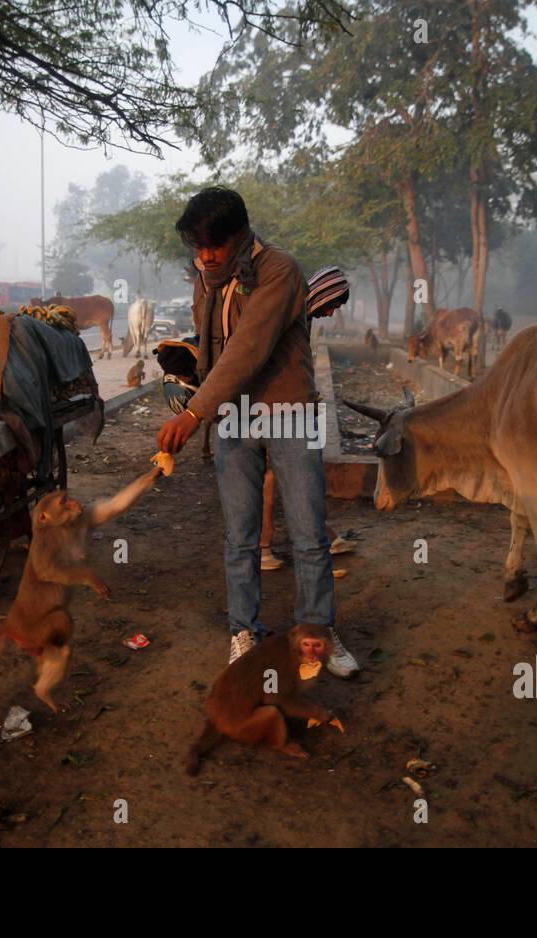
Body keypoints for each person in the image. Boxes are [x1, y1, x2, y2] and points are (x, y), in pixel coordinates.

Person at [156, 188, 358, 677]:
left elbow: (248, 349)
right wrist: (188, 383)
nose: (205, 257)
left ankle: (317, 632)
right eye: (198, 247)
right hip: (233, 418)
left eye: (214, 246)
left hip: (287, 412)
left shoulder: (279, 270)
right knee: (240, 537)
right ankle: (244, 631)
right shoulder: (207, 278)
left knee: (309, 535)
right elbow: (212, 349)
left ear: (241, 237)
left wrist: (194, 414)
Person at [260, 266, 356, 591]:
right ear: (324, 295)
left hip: (285, 406)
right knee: (275, 476)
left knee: (294, 474)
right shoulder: (288, 313)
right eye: (332, 305)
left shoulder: (301, 313)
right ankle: (262, 547)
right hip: (272, 406)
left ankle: (323, 536)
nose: (330, 313)